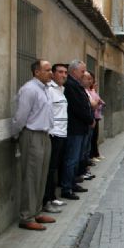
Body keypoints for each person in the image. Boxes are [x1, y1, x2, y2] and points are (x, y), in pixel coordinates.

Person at [12, 60, 55, 230]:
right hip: (32, 135)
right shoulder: (29, 89)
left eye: (51, 69)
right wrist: (17, 135)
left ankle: (36, 212)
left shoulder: (45, 89)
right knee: (31, 177)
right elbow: (21, 116)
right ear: (36, 72)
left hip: (45, 135)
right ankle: (26, 217)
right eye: (47, 70)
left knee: (41, 175)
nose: (50, 73)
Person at [61, 60, 94, 200]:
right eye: (82, 71)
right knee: (71, 159)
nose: (83, 74)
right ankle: (66, 188)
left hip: (80, 128)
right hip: (74, 129)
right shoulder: (70, 86)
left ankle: (72, 183)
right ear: (74, 71)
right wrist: (89, 119)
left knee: (76, 158)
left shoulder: (76, 85)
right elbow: (78, 107)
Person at [42, 63, 69, 214]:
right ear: (53, 73)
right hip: (53, 134)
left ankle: (52, 197)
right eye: (60, 72)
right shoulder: (49, 90)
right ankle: (46, 201)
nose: (64, 75)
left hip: (62, 134)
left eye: (65, 72)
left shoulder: (61, 90)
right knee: (50, 169)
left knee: (54, 168)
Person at [88, 77, 105, 162]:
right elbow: (96, 103)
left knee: (95, 137)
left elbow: (100, 102)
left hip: (97, 116)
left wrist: (99, 104)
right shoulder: (90, 92)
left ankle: (96, 154)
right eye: (95, 84)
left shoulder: (94, 92)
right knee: (92, 138)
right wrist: (99, 104)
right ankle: (92, 156)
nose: (97, 85)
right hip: (94, 116)